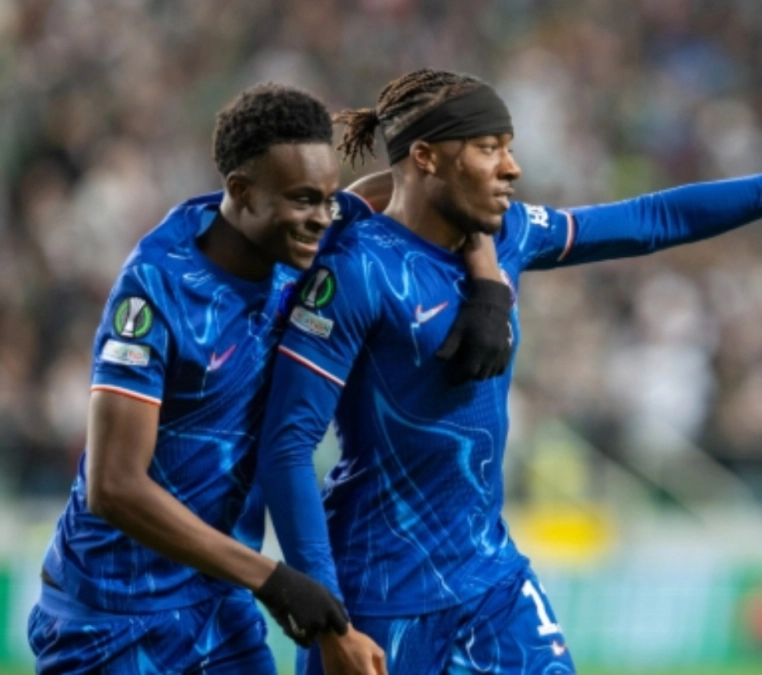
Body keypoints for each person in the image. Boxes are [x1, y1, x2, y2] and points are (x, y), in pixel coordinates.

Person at [257, 68, 762, 674]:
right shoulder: (354, 272)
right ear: (427, 157)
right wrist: (329, 619)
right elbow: (287, 445)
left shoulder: (508, 235)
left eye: (509, 146)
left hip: (492, 581)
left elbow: (653, 218)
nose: (512, 167)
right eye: (489, 148)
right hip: (381, 593)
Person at [27, 82, 512, 675]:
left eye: (329, 199)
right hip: (112, 615)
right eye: (306, 200)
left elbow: (424, 189)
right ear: (241, 191)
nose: (324, 218)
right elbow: (114, 487)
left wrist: (487, 280)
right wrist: (273, 579)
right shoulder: (156, 289)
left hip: (216, 605)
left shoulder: (303, 237)